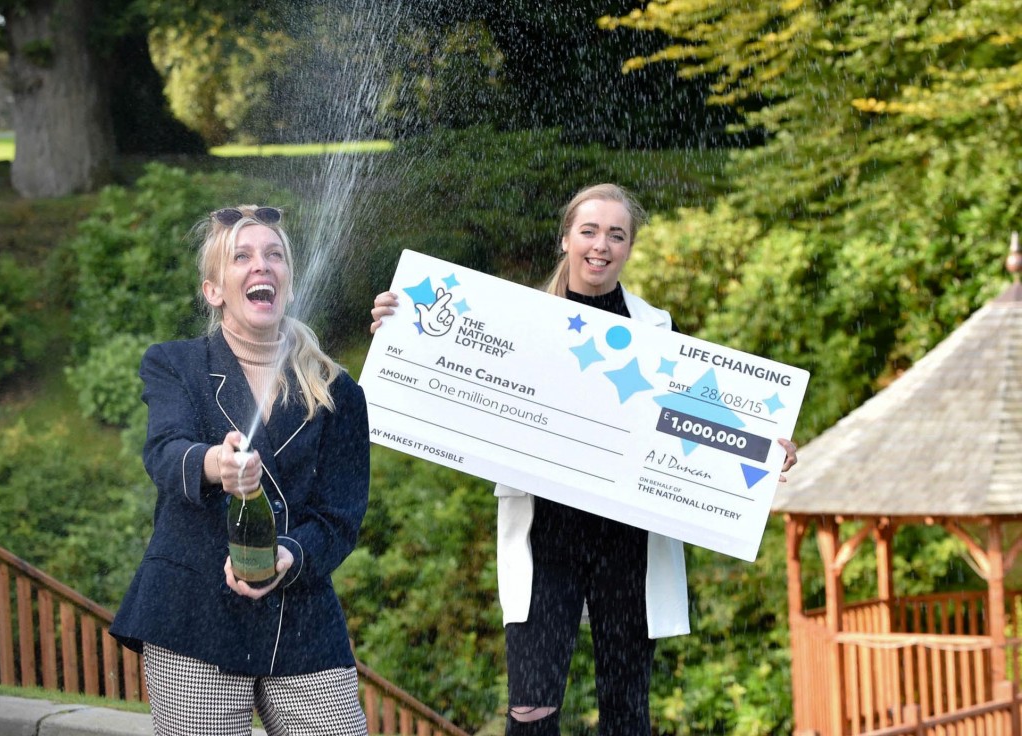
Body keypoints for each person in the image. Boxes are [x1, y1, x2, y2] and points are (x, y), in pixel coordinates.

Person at [370, 183, 797, 736]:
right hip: (545, 539)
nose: (602, 245)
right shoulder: (510, 321)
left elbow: (693, 416)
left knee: (627, 712)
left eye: (616, 235)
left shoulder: (657, 331)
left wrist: (764, 447)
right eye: (590, 231)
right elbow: (439, 368)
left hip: (628, 543)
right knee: (531, 710)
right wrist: (396, 329)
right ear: (566, 238)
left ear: (629, 248)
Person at [111, 205, 371, 736]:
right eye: (242, 257)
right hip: (193, 614)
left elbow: (339, 517)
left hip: (301, 616)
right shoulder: (174, 363)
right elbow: (165, 450)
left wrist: (286, 556)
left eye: (274, 255)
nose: (261, 266)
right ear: (214, 290)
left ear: (290, 285)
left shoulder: (339, 391)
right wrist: (217, 465)